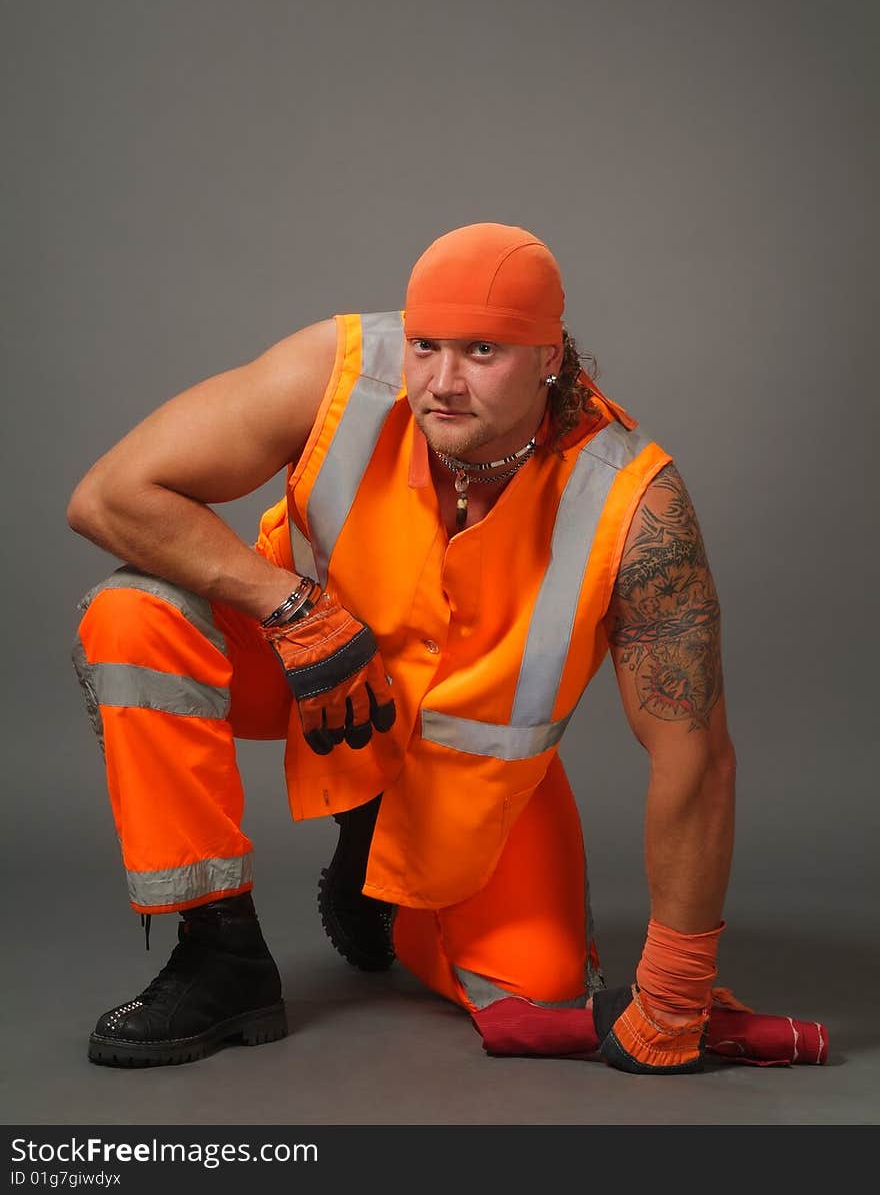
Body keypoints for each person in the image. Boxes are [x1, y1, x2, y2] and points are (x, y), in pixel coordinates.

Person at [68, 221, 738, 1075]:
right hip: (320, 683)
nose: (443, 384)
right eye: (425, 346)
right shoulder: (341, 374)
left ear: (552, 358)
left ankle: (382, 873)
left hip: (474, 791)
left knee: (540, 997)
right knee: (131, 613)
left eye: (484, 351)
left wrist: (678, 989)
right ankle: (219, 952)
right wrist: (292, 608)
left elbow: (697, 760)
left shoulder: (637, 505)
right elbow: (108, 496)